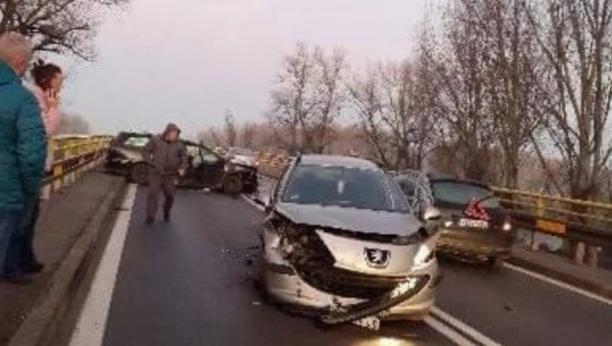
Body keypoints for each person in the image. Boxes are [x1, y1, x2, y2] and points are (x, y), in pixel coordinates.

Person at [0, 33, 47, 284]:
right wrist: (29, 190)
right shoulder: (23, 100)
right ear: (18, 61)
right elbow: (31, 155)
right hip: (5, 192)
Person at [18, 60, 64, 274]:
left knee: (30, 215)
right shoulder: (34, 98)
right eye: (59, 80)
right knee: (24, 217)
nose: (61, 84)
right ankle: (16, 262)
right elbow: (43, 131)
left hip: (34, 163)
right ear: (48, 80)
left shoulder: (40, 97)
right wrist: (54, 110)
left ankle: (26, 258)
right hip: (28, 164)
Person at [143, 123, 187, 225]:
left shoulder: (179, 144)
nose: (174, 136)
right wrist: (151, 163)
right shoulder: (155, 140)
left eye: (176, 134)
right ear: (167, 132)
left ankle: (166, 211)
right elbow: (145, 151)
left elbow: (184, 157)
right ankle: (150, 217)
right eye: (173, 133)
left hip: (170, 175)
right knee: (153, 195)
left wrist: (182, 167)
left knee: (170, 195)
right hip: (156, 173)